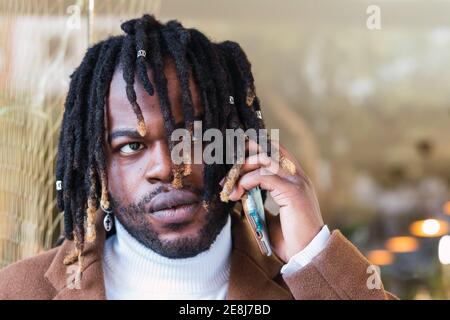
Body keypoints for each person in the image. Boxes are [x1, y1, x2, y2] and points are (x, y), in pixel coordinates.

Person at [0, 14, 395, 300]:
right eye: (131, 146)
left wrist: (314, 252)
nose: (168, 168)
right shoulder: (18, 291)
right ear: (97, 168)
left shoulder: (309, 283)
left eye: (191, 137)